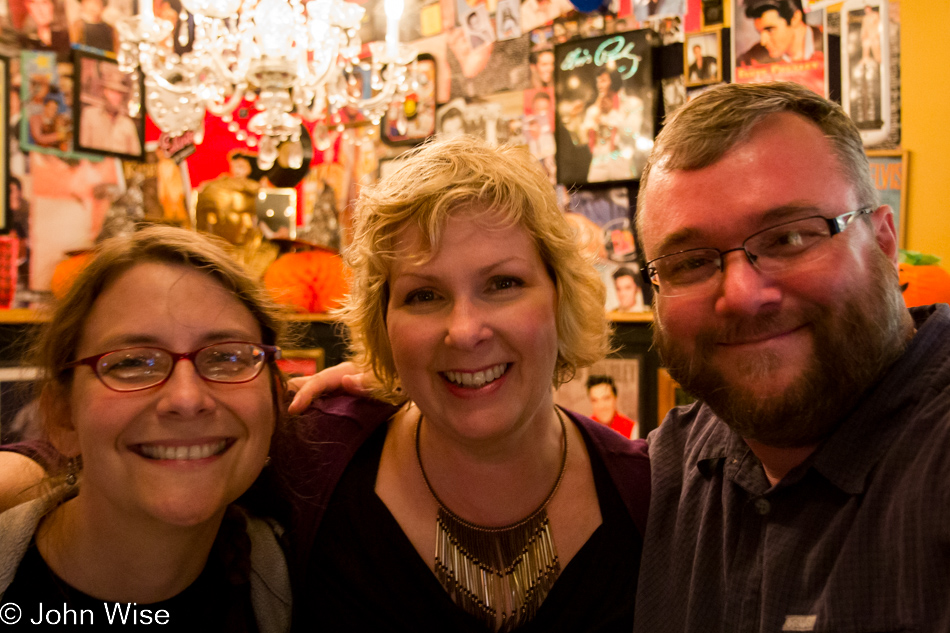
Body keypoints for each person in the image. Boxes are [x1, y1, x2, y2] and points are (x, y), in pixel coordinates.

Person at [284, 135, 650, 631]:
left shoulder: (649, 494)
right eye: (424, 295)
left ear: (560, 296)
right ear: (383, 322)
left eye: (503, 284)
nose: (463, 331)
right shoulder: (313, 459)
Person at [632, 81, 950, 631]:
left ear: (882, 242)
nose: (743, 296)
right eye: (689, 263)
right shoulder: (664, 476)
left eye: (790, 239)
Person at [0, 226, 291, 630]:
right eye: (132, 363)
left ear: (276, 399)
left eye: (227, 357)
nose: (187, 399)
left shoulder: (303, 582)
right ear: (63, 416)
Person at [580, 68, 645, 182]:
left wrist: (612, 113)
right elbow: (582, 139)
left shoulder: (632, 104)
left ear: (614, 82)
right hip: (598, 162)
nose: (600, 85)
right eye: (598, 81)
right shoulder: (593, 109)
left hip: (622, 162)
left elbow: (632, 131)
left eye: (604, 81)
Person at [78, 62, 142, 156]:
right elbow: (82, 150)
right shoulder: (89, 115)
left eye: (118, 93)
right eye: (112, 91)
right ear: (104, 91)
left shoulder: (128, 125)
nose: (116, 97)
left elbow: (136, 156)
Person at [738, 0, 823, 65]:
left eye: (770, 30)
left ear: (795, 18)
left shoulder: (831, 46)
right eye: (760, 32)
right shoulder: (750, 60)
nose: (763, 42)